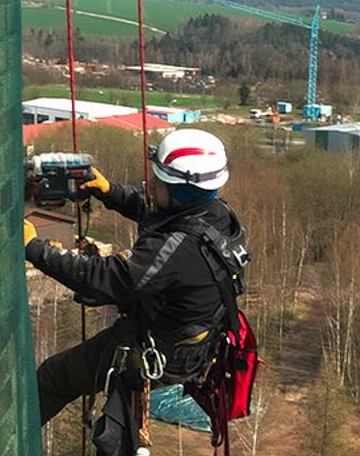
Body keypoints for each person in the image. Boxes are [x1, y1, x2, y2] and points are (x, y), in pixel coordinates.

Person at [24, 127, 248, 426]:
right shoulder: (214, 214)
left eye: (160, 181)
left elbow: (104, 279)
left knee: (54, 376)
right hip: (190, 342)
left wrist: (34, 248)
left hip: (161, 354)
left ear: (181, 193)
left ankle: (12, 439)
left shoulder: (179, 249)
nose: (151, 184)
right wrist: (110, 192)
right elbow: (159, 212)